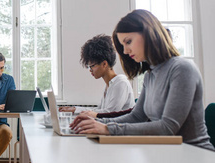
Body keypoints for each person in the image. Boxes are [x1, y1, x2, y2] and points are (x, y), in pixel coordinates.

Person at [71, 9, 214, 150]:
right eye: (123, 45)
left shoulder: (182, 69)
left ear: (148, 34)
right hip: (166, 154)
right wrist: (96, 122)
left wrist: (108, 129)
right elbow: (137, 116)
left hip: (195, 156)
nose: (125, 51)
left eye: (128, 42)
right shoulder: (150, 75)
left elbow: (167, 128)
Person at [60, 34, 134, 115]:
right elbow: (100, 110)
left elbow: (109, 113)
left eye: (92, 66)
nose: (90, 70)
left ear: (104, 64)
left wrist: (78, 111)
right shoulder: (110, 84)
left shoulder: (121, 83)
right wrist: (75, 109)